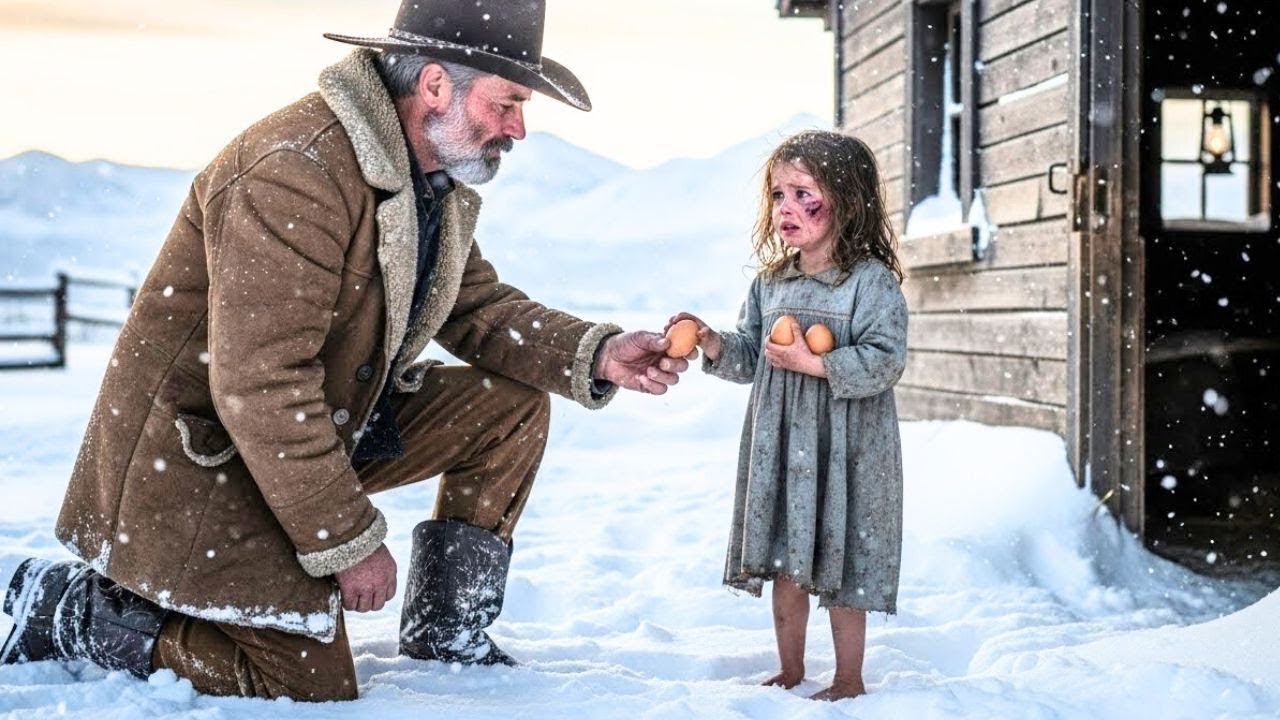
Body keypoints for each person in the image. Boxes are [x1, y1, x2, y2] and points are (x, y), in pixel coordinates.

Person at [0, 0, 689, 702]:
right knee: (305, 684)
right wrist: (347, 539)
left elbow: (474, 306)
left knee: (507, 408)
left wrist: (597, 353)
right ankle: (80, 612)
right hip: (207, 460)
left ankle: (447, 635)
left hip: (315, 432)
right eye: (508, 102)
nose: (518, 128)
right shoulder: (294, 171)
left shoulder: (425, 178)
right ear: (434, 86)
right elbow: (261, 384)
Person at [667, 130, 908, 701]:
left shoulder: (869, 283)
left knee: (844, 556)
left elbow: (886, 359)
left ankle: (848, 678)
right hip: (783, 443)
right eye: (778, 195)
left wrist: (816, 363)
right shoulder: (772, 282)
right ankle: (791, 667)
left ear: (846, 200)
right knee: (785, 555)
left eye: (804, 194)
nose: (786, 208)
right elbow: (752, 353)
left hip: (846, 446)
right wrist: (711, 342)